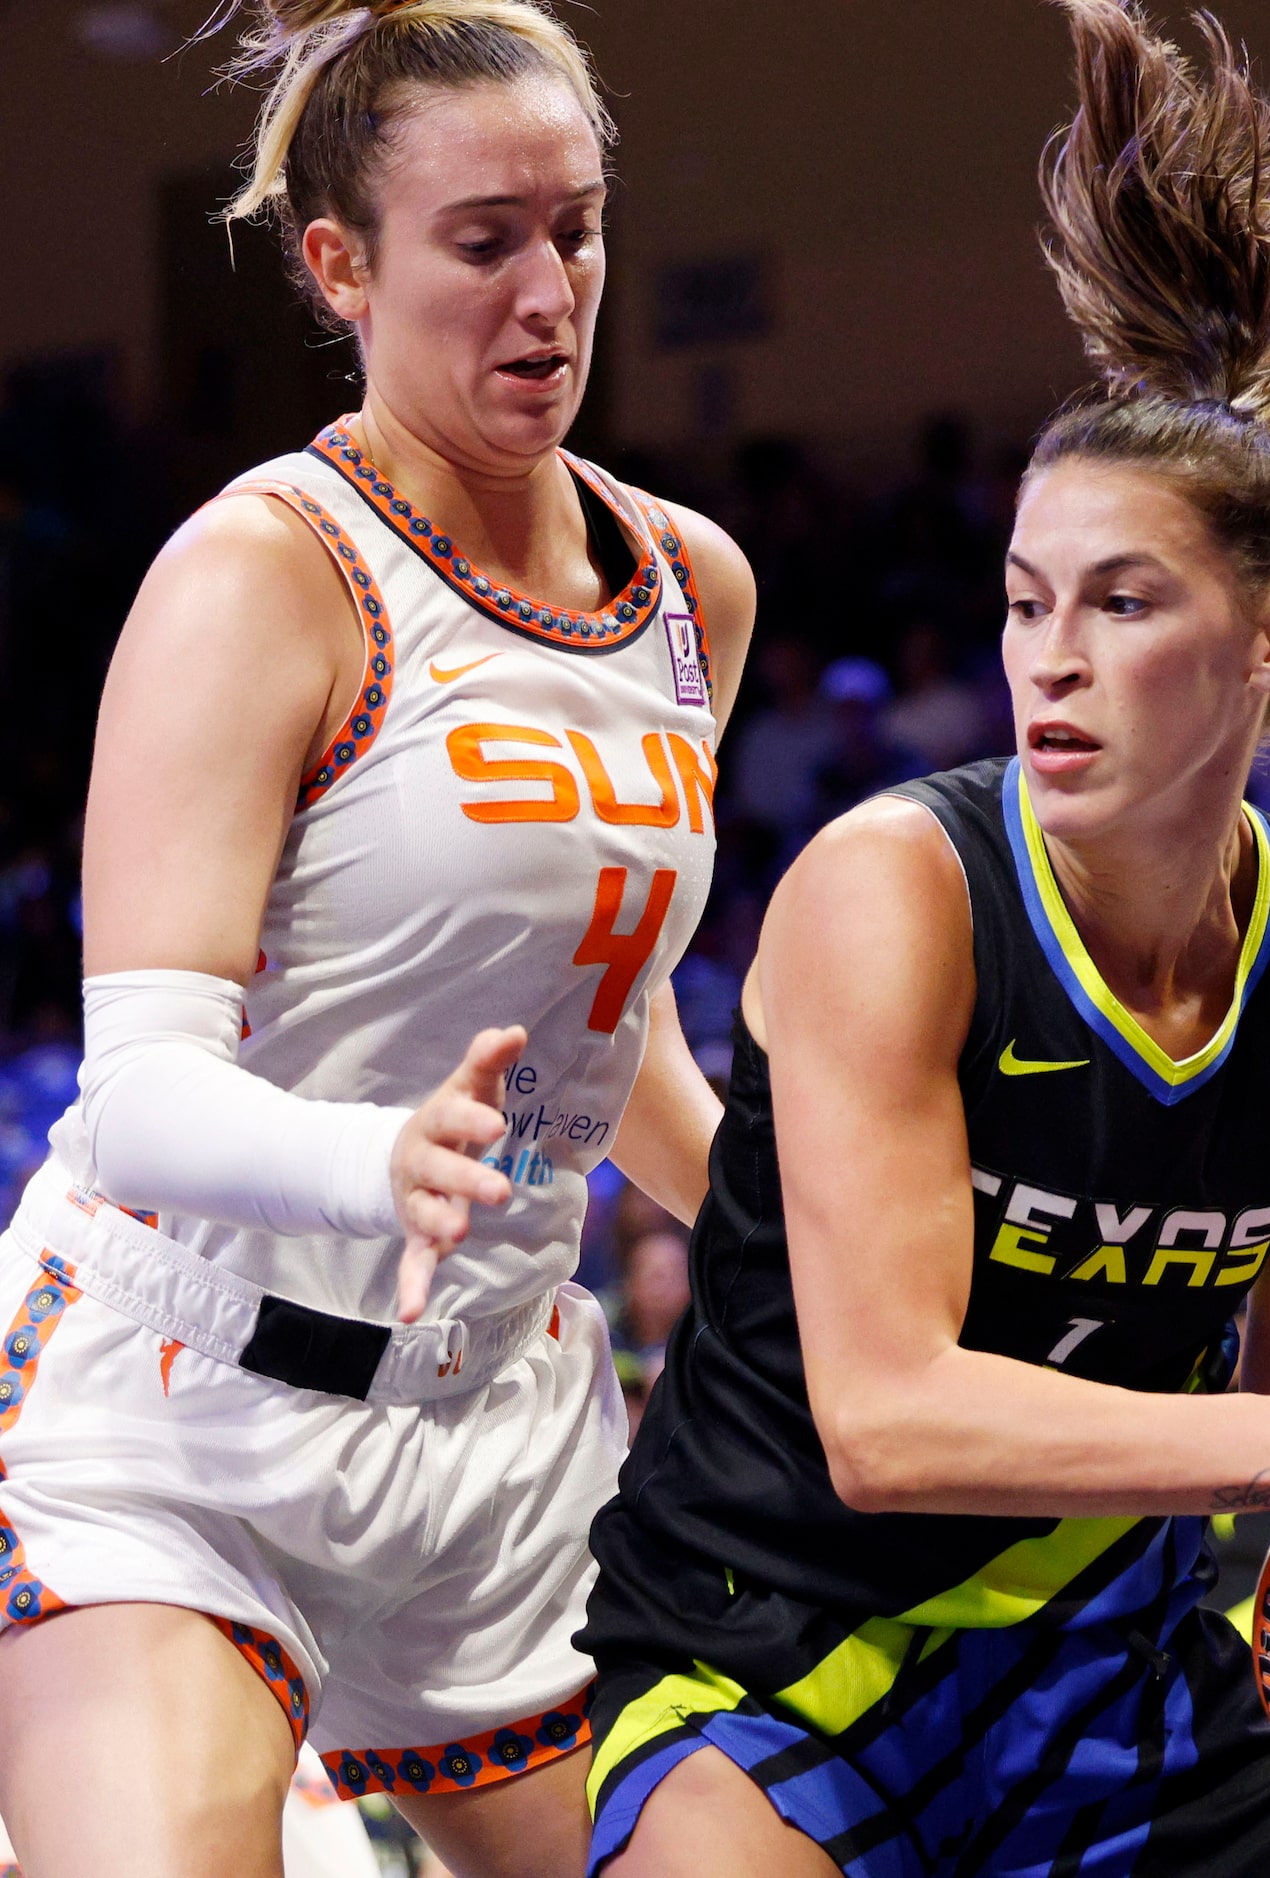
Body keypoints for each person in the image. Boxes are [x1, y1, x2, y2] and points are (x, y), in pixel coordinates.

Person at [577, 8, 1270, 1873]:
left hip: (1122, 1681)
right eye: (1023, 601)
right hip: (772, 1670)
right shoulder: (891, 890)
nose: (1048, 656)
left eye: (1124, 600)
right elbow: (890, 1422)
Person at [0, 3, 756, 1875]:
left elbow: (622, 1039)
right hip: (189, 1419)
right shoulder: (261, 574)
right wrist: (377, 1160)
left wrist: (808, 1228)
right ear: (341, 266)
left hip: (499, 1429)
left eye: (574, 229)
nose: (548, 290)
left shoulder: (689, 590)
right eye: (482, 242)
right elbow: (146, 1093)